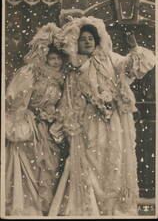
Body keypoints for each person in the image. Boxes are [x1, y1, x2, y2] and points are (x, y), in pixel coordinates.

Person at [48, 16, 155, 216]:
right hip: (87, 122)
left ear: (96, 40)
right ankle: (91, 206)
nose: (87, 42)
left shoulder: (109, 59)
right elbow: (69, 99)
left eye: (90, 38)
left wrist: (134, 49)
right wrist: (69, 123)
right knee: (91, 161)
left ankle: (111, 207)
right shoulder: (73, 69)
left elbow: (131, 66)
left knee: (112, 161)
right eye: (83, 39)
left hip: (113, 121)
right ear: (76, 43)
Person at [5, 23, 68, 216]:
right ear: (45, 57)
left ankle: (46, 204)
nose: (56, 62)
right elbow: (16, 98)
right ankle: (31, 205)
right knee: (32, 162)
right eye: (52, 58)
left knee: (50, 166)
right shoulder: (31, 73)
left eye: (58, 58)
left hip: (51, 127)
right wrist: (24, 117)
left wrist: (56, 118)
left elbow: (62, 104)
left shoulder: (62, 79)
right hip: (33, 123)